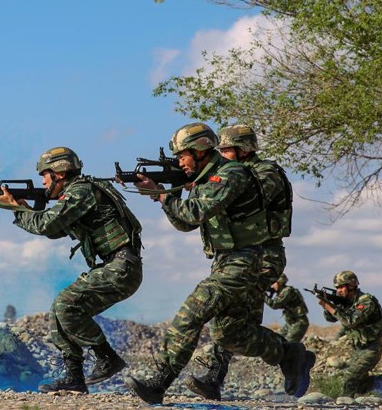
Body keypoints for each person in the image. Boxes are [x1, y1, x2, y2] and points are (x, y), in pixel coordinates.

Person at [122, 123, 314, 405]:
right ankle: (287, 353)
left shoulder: (234, 173)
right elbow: (185, 223)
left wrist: (166, 194)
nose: (180, 162)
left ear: (199, 150)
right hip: (227, 259)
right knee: (229, 332)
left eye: (183, 156)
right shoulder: (216, 175)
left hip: (248, 259)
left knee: (192, 312)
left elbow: (195, 212)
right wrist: (166, 195)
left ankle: (159, 382)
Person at [0, 146, 143, 393]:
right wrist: (25, 208)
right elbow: (57, 230)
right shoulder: (81, 192)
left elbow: (47, 226)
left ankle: (107, 357)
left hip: (122, 266)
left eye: (45, 175)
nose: (42, 181)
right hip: (117, 266)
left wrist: (16, 209)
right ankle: (74, 377)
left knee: (66, 304)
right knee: (59, 310)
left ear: (59, 173)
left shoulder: (81, 192)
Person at [186, 124, 297, 401]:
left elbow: (242, 195)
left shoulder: (265, 173)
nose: (220, 155)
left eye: (225, 150)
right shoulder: (227, 174)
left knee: (229, 319)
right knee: (232, 321)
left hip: (264, 256)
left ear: (243, 149)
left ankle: (288, 356)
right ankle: (289, 358)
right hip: (236, 254)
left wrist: (205, 184)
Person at [320, 270, 382, 397]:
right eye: (337, 288)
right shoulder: (347, 302)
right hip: (357, 348)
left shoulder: (365, 301)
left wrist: (329, 306)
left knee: (350, 376)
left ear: (351, 286)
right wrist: (327, 305)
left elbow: (350, 322)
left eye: (341, 287)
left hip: (371, 348)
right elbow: (331, 319)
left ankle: (345, 402)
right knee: (360, 382)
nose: (338, 291)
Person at [266, 274, 310, 342]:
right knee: (276, 341)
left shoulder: (287, 291)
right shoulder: (282, 291)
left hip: (299, 323)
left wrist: (263, 295)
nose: (272, 285)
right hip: (291, 323)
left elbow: (274, 304)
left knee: (288, 346)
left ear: (279, 283)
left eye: (274, 283)